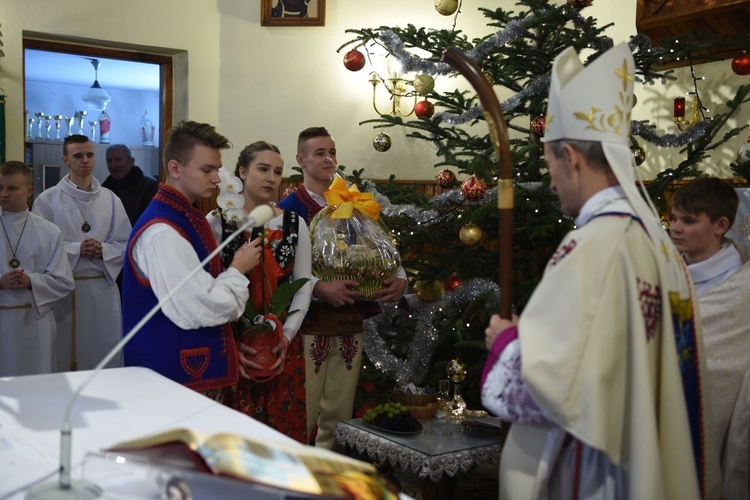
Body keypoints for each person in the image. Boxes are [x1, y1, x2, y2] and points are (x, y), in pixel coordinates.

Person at [480, 43, 722, 499]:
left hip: (596, 470)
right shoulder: (652, 240)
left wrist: (508, 344)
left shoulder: (597, 245)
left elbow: (559, 392)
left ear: (570, 156)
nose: (550, 180)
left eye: (550, 162)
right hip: (636, 450)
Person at [278, 127, 407, 448]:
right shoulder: (289, 208)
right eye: (319, 153)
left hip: (351, 322)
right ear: (301, 160)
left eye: (332, 152)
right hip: (308, 325)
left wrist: (402, 280)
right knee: (304, 411)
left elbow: (379, 250)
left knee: (339, 414)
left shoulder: (353, 201)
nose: (328, 158)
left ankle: (329, 482)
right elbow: (280, 270)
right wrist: (320, 288)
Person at [122, 121, 262, 395]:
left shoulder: (184, 217)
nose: (218, 178)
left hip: (184, 375)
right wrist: (237, 269)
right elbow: (199, 305)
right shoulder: (162, 231)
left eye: (217, 169)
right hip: (171, 380)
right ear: (175, 168)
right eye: (206, 170)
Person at [207, 141, 312, 443]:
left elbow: (302, 288)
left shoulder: (295, 224)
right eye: (263, 169)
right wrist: (230, 342)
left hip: (281, 347)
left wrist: (285, 337)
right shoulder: (218, 222)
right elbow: (207, 287)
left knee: (280, 437)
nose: (271, 178)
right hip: (233, 346)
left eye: (277, 172)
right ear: (242, 171)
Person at [670, 177, 750, 496]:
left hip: (716, 419)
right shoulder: (660, 274)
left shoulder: (743, 287)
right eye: (673, 217)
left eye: (688, 221)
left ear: (720, 225)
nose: (675, 227)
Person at [32, 134, 131, 372]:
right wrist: (77, 248)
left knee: (104, 348)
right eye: (78, 156)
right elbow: (38, 247)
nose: (85, 160)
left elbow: (126, 242)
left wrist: (103, 249)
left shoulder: (110, 198)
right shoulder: (48, 200)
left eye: (89, 154)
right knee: (65, 350)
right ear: (65, 159)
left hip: (102, 289)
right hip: (66, 290)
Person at [0, 161, 74, 377]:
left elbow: (64, 281)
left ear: (30, 191)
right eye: (0, 187)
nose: (4, 194)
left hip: (35, 323)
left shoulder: (49, 231)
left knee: (36, 383)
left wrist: (31, 281)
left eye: (12, 188)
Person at [103, 144, 159, 226]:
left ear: (132, 161)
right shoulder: (105, 188)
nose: (113, 165)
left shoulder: (150, 186)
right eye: (109, 161)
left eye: (118, 160)